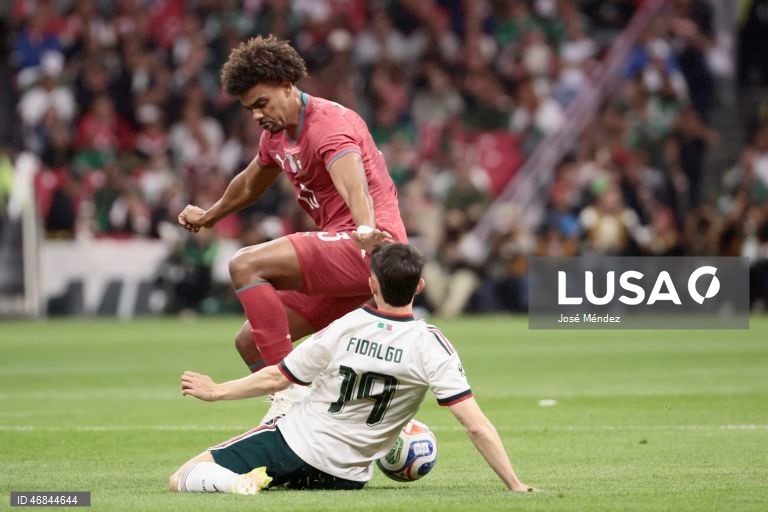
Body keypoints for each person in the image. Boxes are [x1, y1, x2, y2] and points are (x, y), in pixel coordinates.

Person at [170, 243, 534, 494]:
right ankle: (256, 478)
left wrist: (217, 391)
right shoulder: (432, 345)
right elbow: (475, 424)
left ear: (372, 283)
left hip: (293, 445)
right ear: (419, 286)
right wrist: (514, 484)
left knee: (184, 475)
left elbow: (278, 375)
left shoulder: (347, 326)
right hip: (346, 476)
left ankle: (237, 485)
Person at [176, 35, 407, 421]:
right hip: (346, 255)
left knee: (245, 264)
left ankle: (288, 393)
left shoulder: (329, 126)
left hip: (369, 247)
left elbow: (355, 185)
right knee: (250, 342)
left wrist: (366, 229)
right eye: (249, 108)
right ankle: (307, 421)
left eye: (261, 103)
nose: (256, 115)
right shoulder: (277, 135)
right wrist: (209, 215)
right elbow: (250, 182)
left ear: (288, 85)